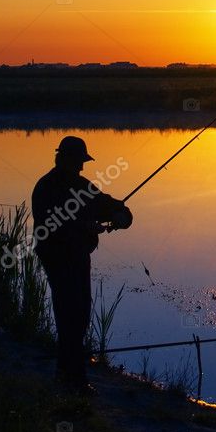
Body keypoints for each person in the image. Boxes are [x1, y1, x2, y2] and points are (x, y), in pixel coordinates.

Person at [31, 136, 132, 392]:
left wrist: (122, 214)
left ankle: (68, 373)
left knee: (80, 313)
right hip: (57, 257)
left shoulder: (81, 185)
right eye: (79, 162)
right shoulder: (46, 188)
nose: (82, 167)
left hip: (78, 257)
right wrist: (86, 226)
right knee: (69, 315)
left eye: (83, 162)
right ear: (64, 159)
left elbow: (105, 204)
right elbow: (53, 225)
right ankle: (73, 378)